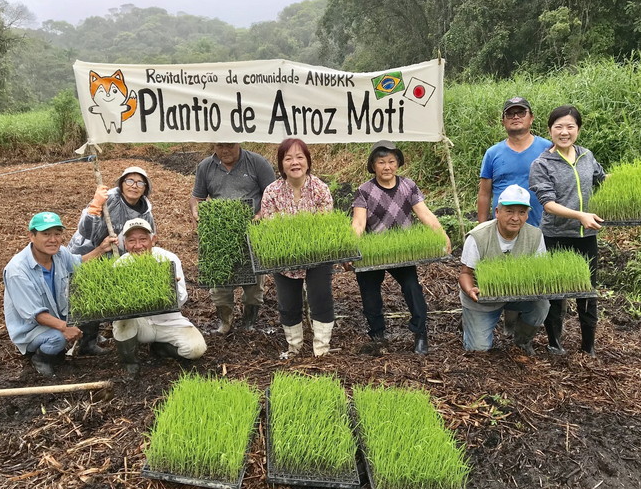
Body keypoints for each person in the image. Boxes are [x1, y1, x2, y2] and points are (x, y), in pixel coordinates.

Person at [351, 140, 451, 355]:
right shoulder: (364, 190)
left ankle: (420, 333)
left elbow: (424, 214)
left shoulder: (408, 186)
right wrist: (352, 247)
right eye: (381, 162)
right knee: (369, 292)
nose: (387, 167)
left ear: (398, 164)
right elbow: (358, 223)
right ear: (373, 165)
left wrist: (442, 235)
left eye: (391, 161)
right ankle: (377, 336)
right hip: (374, 252)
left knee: (412, 286)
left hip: (403, 251)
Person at [529, 105, 606, 357]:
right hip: (556, 236)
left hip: (587, 236)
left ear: (578, 129)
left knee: (587, 291)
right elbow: (548, 204)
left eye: (570, 127)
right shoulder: (542, 163)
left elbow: (602, 180)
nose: (565, 132)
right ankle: (555, 342)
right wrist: (579, 216)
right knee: (556, 291)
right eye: (558, 127)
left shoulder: (587, 156)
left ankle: (588, 345)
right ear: (549, 130)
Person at [3, 212, 117, 377]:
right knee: (58, 338)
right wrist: (65, 327)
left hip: (57, 314)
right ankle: (41, 358)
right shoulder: (18, 271)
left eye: (57, 234)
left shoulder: (60, 254)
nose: (53, 239)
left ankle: (86, 346)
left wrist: (101, 249)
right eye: (46, 234)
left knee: (92, 304)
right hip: (32, 329)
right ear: (32, 236)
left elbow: (79, 263)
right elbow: (36, 315)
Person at [67, 165, 156, 355]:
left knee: (110, 289)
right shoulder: (109, 199)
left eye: (140, 182)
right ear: (121, 183)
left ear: (146, 188)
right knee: (90, 292)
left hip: (116, 253)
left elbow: (149, 236)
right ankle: (87, 342)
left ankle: (103, 331)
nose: (134, 186)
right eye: (129, 181)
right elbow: (86, 231)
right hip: (90, 249)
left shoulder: (145, 209)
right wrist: (95, 205)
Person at [189, 143, 276, 334]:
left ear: (239, 142)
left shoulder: (257, 163)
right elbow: (197, 197)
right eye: (220, 146)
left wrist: (260, 215)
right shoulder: (206, 166)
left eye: (229, 145)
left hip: (253, 231)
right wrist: (196, 211)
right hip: (219, 234)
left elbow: (273, 195)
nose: (224, 150)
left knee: (253, 282)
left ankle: (249, 322)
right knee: (219, 281)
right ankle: (225, 322)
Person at [259, 138, 335, 357]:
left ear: (308, 162)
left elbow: (323, 226)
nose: (295, 162)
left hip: (318, 255)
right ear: (281, 164)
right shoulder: (272, 192)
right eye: (288, 158)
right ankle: (294, 347)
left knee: (320, 297)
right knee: (288, 303)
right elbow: (272, 228)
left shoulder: (320, 188)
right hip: (283, 258)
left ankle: (321, 348)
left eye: (300, 157)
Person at [459, 185, 550, 354]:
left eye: (522, 212)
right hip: (483, 298)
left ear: (527, 215)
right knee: (478, 349)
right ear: (497, 212)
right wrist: (470, 289)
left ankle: (522, 341)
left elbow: (540, 271)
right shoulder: (478, 236)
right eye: (509, 211)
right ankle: (469, 323)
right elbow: (465, 273)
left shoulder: (535, 235)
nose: (516, 218)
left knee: (542, 304)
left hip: (518, 294)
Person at [112, 218, 207, 377]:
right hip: (140, 323)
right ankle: (130, 362)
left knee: (196, 349)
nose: (138, 245)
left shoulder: (168, 259)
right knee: (121, 322)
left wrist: (172, 287)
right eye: (131, 241)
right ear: (124, 244)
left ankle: (161, 348)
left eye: (143, 239)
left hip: (169, 321)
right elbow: (116, 302)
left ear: (153, 240)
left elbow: (182, 299)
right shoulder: (121, 265)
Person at [478, 97, 551, 228]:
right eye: (510, 114)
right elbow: (484, 194)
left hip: (542, 228)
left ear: (531, 118)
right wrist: (482, 228)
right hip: (503, 230)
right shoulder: (492, 153)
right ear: (503, 121)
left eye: (521, 113)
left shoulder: (548, 149)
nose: (516, 117)